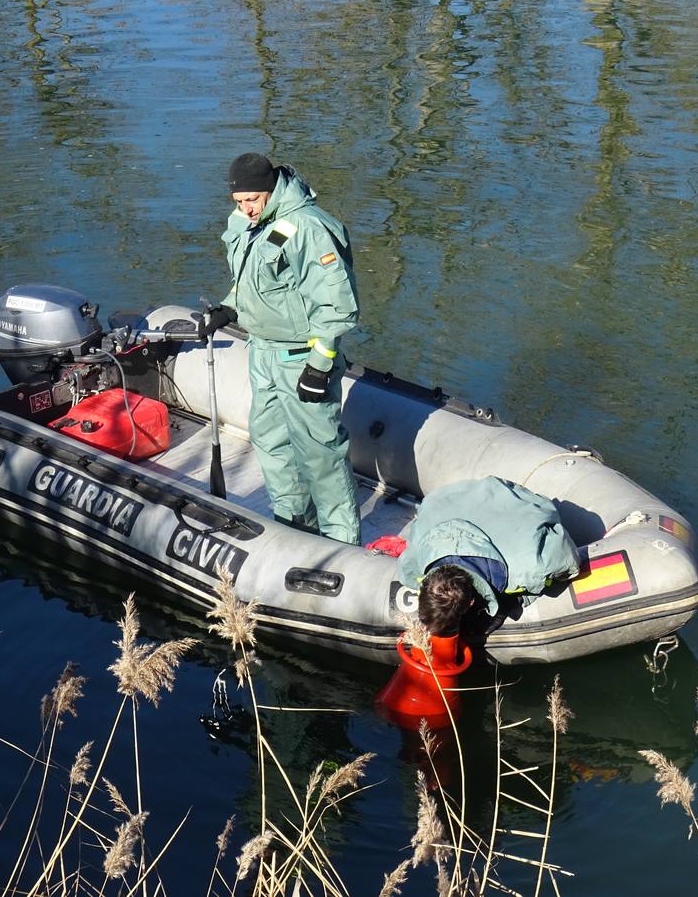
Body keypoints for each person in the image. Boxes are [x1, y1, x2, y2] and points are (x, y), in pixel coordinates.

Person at [200, 153, 362, 545]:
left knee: (319, 452)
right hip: (262, 352)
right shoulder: (247, 223)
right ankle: (294, 527)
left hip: (300, 357)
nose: (246, 209)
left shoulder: (308, 227)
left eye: (252, 200)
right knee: (271, 443)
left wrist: (319, 365)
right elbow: (255, 279)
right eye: (239, 202)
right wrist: (229, 306)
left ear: (271, 190)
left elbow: (336, 302)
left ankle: (341, 541)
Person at [397, 476, 583, 637]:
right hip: (446, 499)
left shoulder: (531, 566)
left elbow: (571, 562)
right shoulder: (411, 565)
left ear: (471, 603)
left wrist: (513, 601)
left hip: (519, 503)